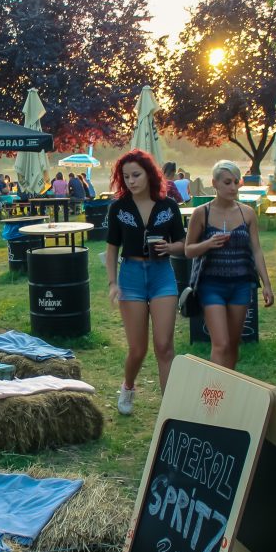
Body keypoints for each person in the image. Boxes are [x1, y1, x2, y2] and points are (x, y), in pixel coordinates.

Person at [105, 149, 186, 416]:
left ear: (150, 174)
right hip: (131, 276)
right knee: (138, 349)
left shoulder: (169, 206)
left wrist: (169, 247)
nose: (131, 181)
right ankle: (128, 386)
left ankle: (170, 407)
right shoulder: (118, 208)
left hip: (162, 274)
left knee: (164, 346)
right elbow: (112, 249)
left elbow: (183, 244)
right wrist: (112, 283)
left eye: (136, 175)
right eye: (126, 176)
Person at [185, 161, 274, 370]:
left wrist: (267, 284)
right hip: (211, 284)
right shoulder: (201, 213)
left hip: (241, 284)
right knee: (221, 343)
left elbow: (257, 250)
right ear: (214, 183)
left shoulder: (247, 213)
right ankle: (212, 394)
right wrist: (208, 244)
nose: (233, 187)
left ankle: (227, 391)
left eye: (236, 182)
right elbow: (188, 250)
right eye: (227, 182)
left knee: (233, 343)